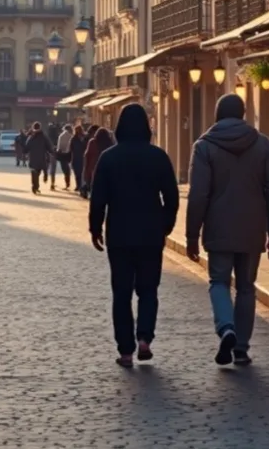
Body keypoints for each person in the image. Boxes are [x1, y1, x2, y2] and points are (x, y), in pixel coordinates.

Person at [186, 92, 269, 367]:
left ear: (217, 114)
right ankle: (241, 348)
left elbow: (198, 194)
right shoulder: (262, 144)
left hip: (218, 226)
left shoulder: (204, 146)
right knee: (246, 287)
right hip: (252, 227)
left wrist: (192, 234)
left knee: (219, 281)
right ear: (243, 114)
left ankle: (226, 327)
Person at [89, 103, 179, 368]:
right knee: (149, 290)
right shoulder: (158, 157)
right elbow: (171, 197)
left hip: (119, 233)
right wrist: (166, 224)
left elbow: (98, 198)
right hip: (150, 233)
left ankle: (126, 350)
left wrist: (95, 228)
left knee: (122, 293)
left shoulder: (109, 158)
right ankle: (145, 338)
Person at [83, 126, 114, 198]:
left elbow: (87, 156)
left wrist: (86, 170)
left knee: (94, 185)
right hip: (106, 168)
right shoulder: (110, 143)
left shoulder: (92, 142)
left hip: (93, 167)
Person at [24, 122, 52, 195]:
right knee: (38, 172)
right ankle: (36, 185)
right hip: (41, 158)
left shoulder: (31, 137)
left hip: (32, 158)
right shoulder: (44, 137)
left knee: (34, 173)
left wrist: (25, 151)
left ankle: (35, 186)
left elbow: (26, 147)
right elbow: (49, 146)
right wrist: (51, 152)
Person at [69, 123, 87, 194]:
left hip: (82, 158)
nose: (78, 131)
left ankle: (81, 186)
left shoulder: (85, 138)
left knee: (81, 173)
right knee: (77, 173)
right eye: (77, 130)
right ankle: (78, 185)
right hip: (76, 158)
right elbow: (71, 149)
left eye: (79, 130)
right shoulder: (73, 139)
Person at [56, 124, 74, 190]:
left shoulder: (61, 136)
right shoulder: (71, 136)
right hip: (69, 154)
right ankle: (69, 182)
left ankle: (67, 183)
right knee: (68, 169)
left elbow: (59, 147)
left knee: (65, 169)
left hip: (62, 155)